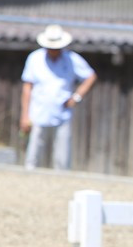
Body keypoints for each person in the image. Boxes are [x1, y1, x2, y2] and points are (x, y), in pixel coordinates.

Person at [20, 24, 96, 170]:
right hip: (38, 113)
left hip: (62, 114)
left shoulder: (72, 59)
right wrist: (25, 115)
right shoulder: (35, 59)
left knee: (62, 159)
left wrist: (76, 97)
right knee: (33, 158)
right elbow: (27, 87)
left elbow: (90, 76)